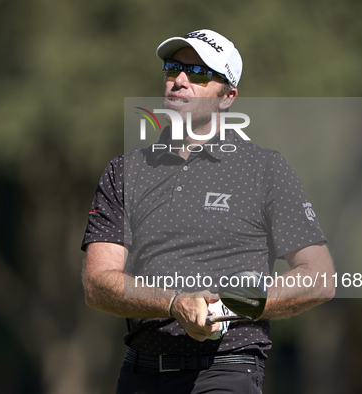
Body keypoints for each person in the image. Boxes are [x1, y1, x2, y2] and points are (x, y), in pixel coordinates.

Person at [81, 29, 335, 394]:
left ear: (227, 96)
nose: (180, 80)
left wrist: (233, 305)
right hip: (141, 372)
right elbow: (97, 282)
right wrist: (174, 303)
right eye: (173, 68)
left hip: (226, 369)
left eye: (199, 73)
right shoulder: (124, 171)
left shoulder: (264, 169)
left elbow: (318, 276)